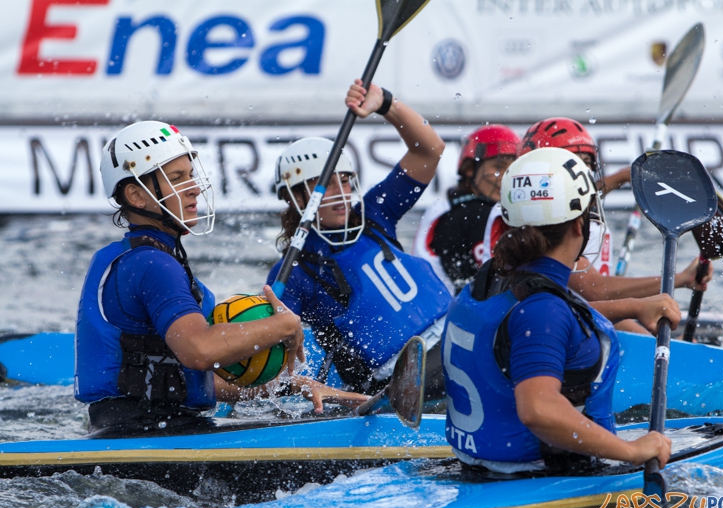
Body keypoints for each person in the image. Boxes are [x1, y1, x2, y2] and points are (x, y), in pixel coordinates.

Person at [75, 120, 366, 434]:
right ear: (136, 194)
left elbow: (198, 378)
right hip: (151, 434)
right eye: (177, 178)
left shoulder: (143, 258)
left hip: (139, 428)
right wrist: (284, 325)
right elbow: (199, 350)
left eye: (190, 175)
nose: (194, 188)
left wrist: (292, 386)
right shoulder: (152, 264)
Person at [442, 147, 675, 473]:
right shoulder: (541, 311)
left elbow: (549, 324)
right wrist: (632, 451)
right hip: (538, 480)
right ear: (580, 226)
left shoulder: (491, 278)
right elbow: (538, 409)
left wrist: (634, 307)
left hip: (480, 466)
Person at [268, 80, 449, 396]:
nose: (340, 195)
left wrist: (385, 104)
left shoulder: (375, 214)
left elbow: (429, 150)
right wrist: (324, 392)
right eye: (324, 186)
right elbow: (273, 369)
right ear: (295, 197)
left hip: (453, 336)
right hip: (400, 378)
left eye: (345, 181)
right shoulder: (293, 272)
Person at [481, 117, 713, 333]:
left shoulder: (534, 202)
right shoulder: (530, 216)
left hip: (558, 320)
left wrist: (623, 176)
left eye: (588, 163)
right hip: (539, 329)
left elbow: (584, 307)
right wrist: (679, 279)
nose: (585, 173)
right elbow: (593, 291)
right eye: (574, 163)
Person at [412, 125, 520, 294]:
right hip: (449, 313)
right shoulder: (478, 213)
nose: (507, 177)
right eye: (499, 167)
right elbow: (500, 283)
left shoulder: (451, 206)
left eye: (513, 169)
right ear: (470, 169)